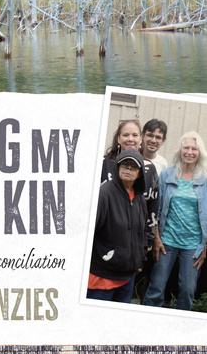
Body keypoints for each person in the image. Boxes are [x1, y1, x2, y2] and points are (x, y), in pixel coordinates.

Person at [143, 132, 207, 311]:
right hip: (167, 241)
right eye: (186, 147)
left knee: (187, 290)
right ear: (180, 150)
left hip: (193, 245)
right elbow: (157, 207)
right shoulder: (167, 175)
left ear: (199, 152)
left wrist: (205, 246)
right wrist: (156, 238)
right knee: (156, 287)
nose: (189, 152)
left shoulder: (204, 180)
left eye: (194, 149)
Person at [88, 149, 147, 303]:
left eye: (133, 167)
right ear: (117, 168)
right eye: (125, 165)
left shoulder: (139, 198)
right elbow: (88, 234)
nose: (128, 169)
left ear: (140, 173)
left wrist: (139, 259)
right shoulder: (104, 194)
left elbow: (142, 231)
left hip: (127, 279)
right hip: (101, 279)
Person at [101, 120, 158, 248]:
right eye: (126, 135)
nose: (130, 139)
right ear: (118, 138)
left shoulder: (149, 169)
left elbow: (152, 208)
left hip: (134, 243)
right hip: (104, 240)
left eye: (135, 135)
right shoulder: (103, 163)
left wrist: (147, 243)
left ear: (141, 138)